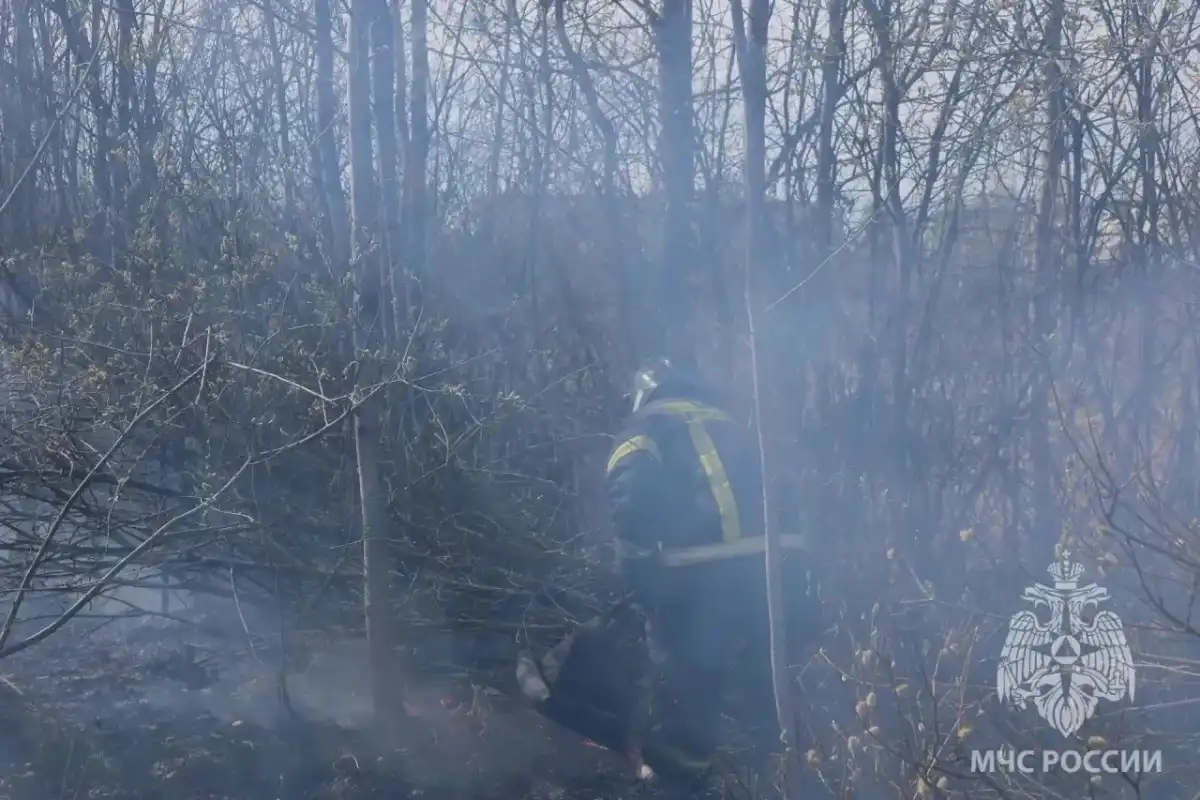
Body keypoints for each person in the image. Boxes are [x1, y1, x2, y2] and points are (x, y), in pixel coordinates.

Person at [604, 356, 816, 775]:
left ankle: (680, 777)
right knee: (767, 684)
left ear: (643, 395)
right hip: (774, 569)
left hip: (698, 579)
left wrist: (640, 582)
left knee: (687, 687)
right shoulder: (733, 425)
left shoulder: (644, 429)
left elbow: (631, 505)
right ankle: (783, 775)